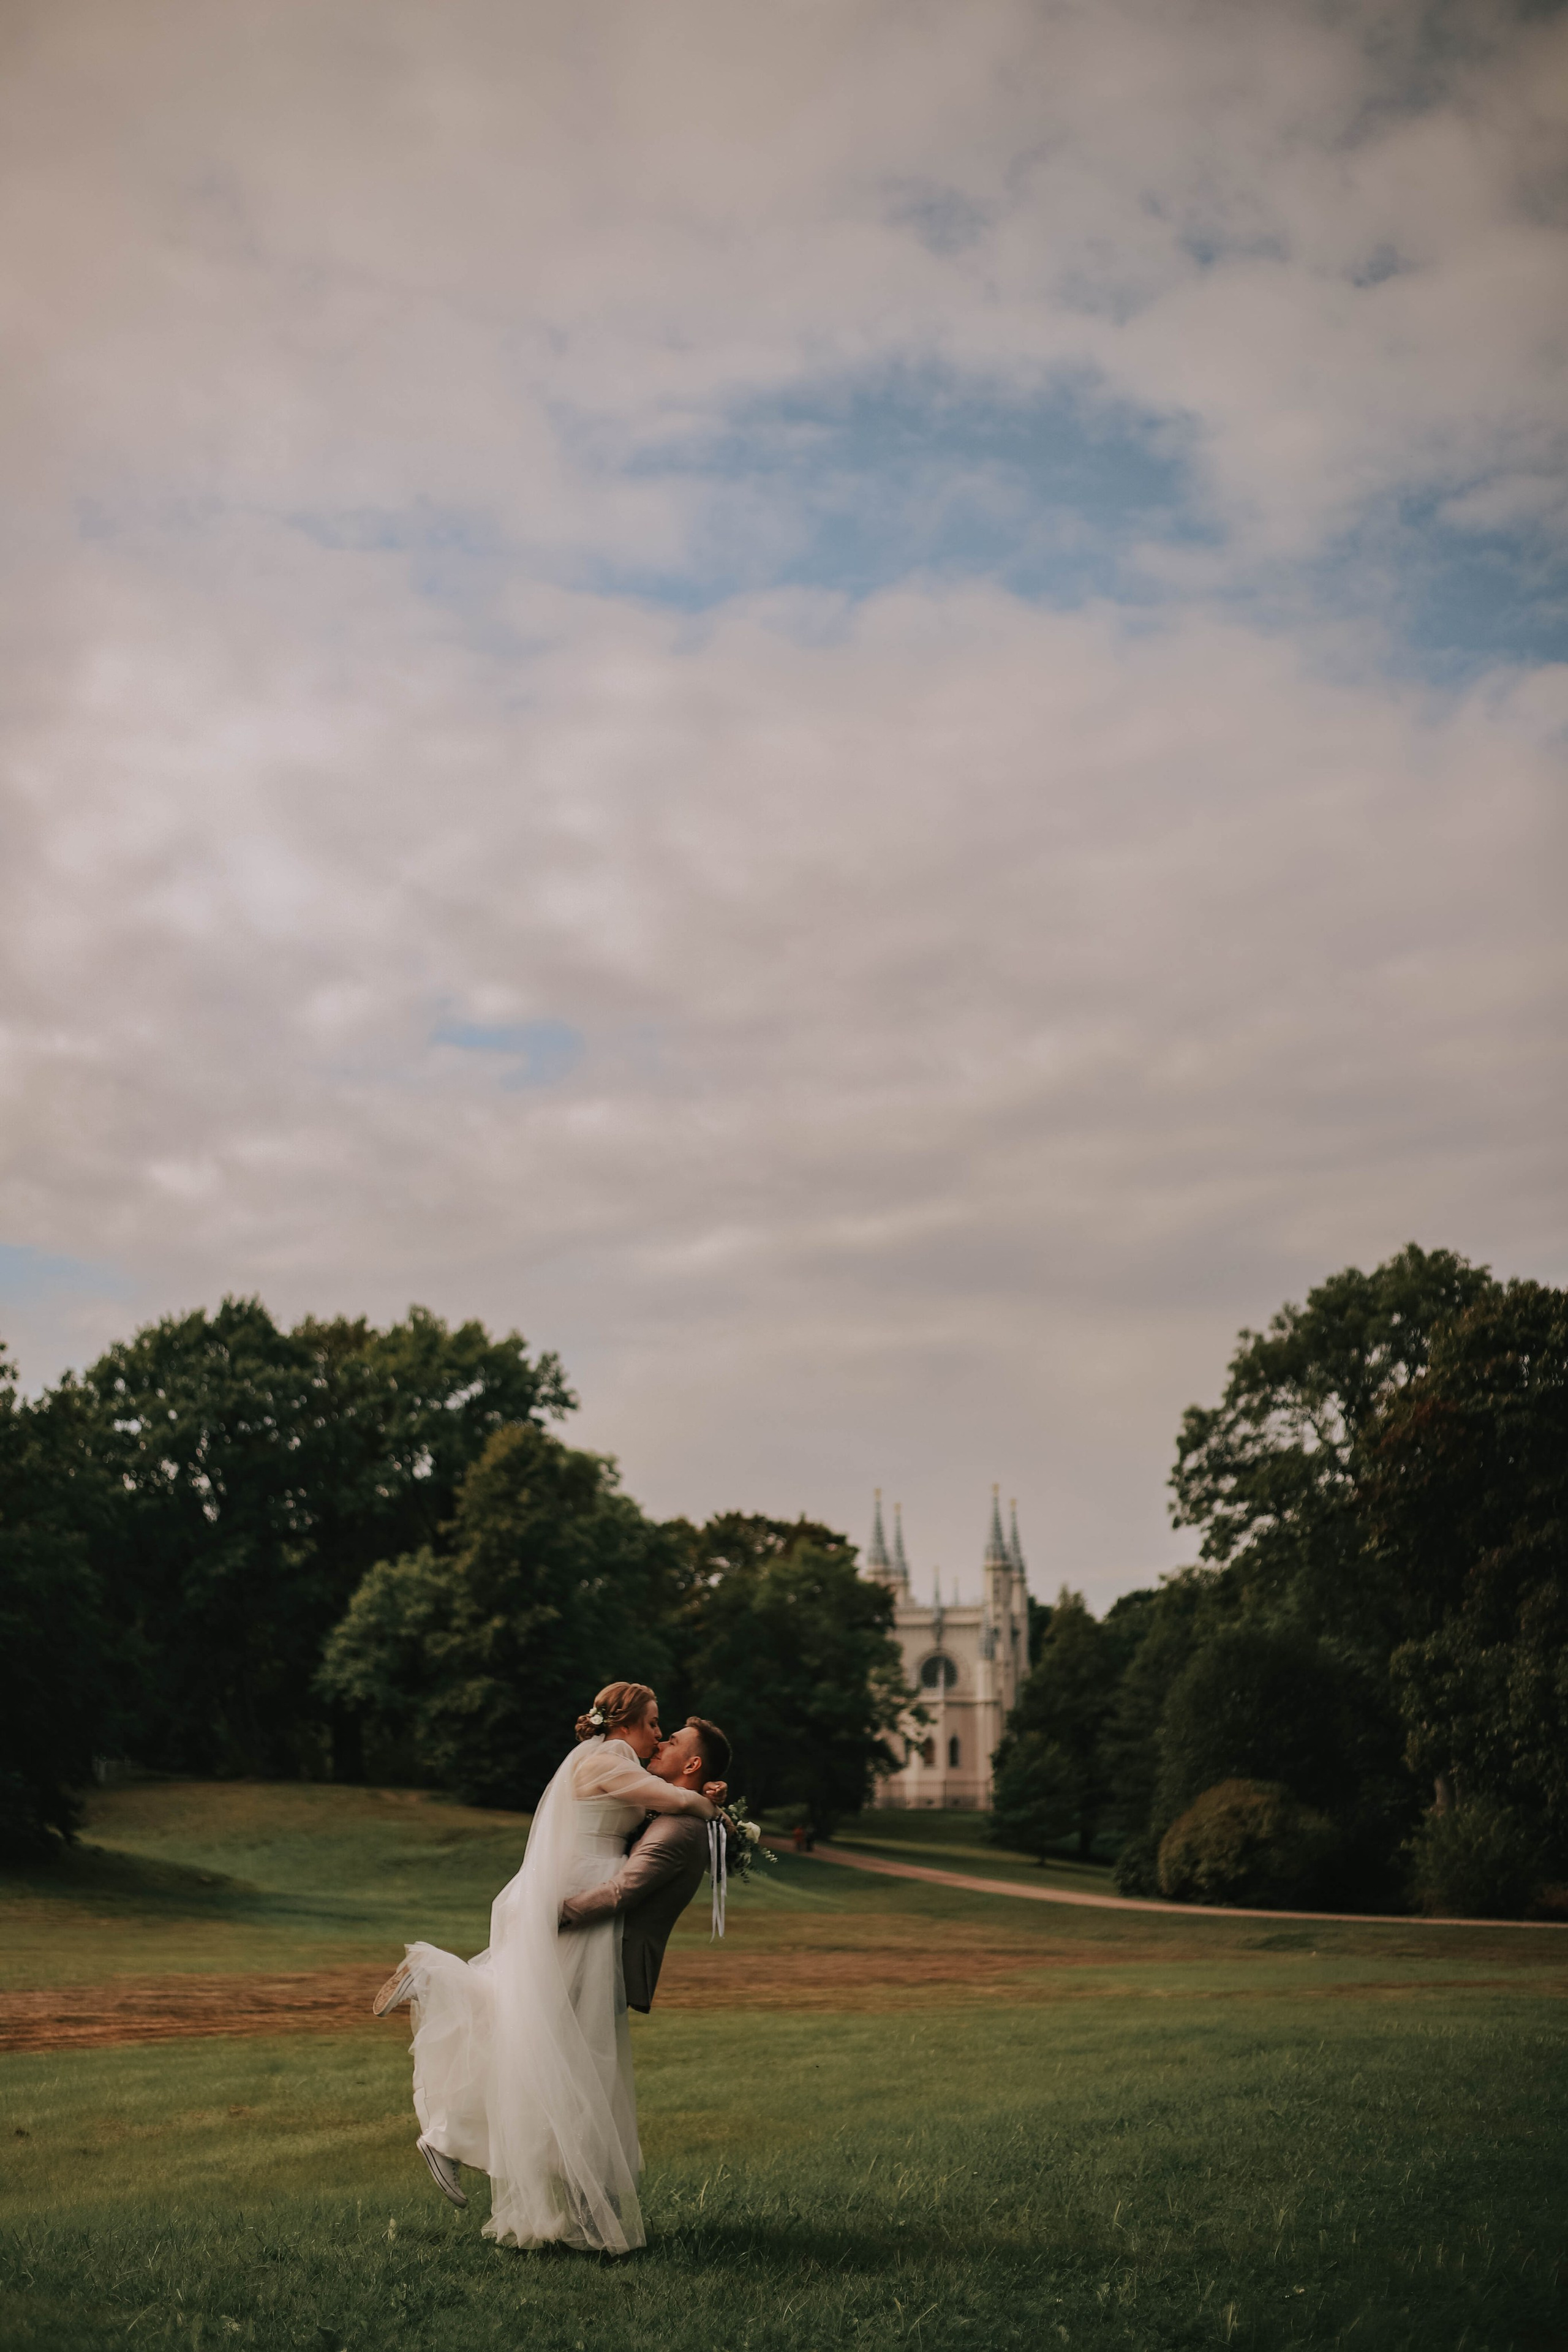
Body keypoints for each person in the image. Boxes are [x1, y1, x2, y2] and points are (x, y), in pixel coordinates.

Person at [373, 1681, 725, 2254]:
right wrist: (711, 1806)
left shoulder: (612, 1762)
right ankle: (433, 1978)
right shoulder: (606, 1757)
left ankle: (449, 2133)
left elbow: (655, 1800)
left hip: (580, 1891)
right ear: (626, 1723)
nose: (658, 1733)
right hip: (578, 1895)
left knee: (536, 2031)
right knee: (539, 2029)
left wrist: (702, 1789)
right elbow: (678, 1803)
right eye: (654, 1722)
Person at [559, 1714, 734, 2011]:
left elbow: (623, 1891)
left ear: (692, 1765)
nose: (660, 1743)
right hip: (596, 1950)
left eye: (672, 1742)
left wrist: (549, 1917)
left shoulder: (678, 1829)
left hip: (606, 1957)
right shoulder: (670, 1815)